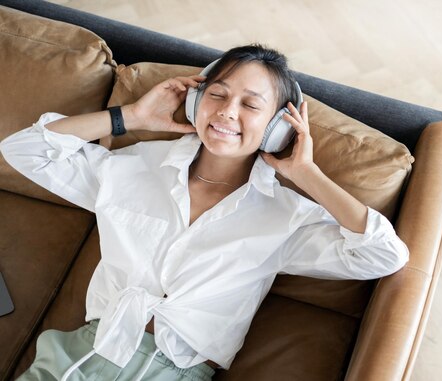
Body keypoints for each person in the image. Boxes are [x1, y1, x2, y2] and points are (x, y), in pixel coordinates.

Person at [0, 43, 409, 380]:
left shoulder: (287, 217)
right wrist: (131, 117)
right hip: (82, 354)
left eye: (251, 105)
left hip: (178, 372)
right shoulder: (132, 167)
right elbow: (23, 149)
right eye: (217, 94)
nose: (228, 112)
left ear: (278, 126)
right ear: (196, 101)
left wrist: (307, 173)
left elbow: (383, 254)